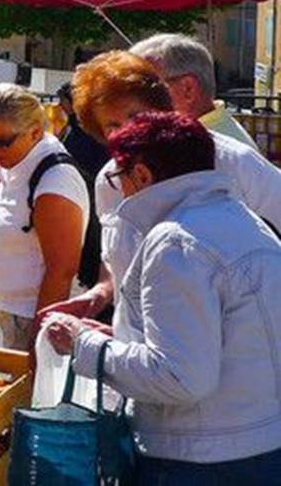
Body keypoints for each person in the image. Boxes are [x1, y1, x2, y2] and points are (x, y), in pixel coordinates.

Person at [44, 112, 281, 482]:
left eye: (118, 176)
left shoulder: (176, 241)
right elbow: (224, 342)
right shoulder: (245, 221)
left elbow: (181, 377)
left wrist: (84, 344)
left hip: (198, 455)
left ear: (141, 175)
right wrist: (120, 341)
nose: (118, 188)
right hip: (259, 442)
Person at [40, 50, 281, 334]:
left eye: (137, 116)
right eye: (113, 126)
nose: (129, 130)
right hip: (140, 359)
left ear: (163, 109)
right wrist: (101, 293)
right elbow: (116, 260)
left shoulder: (231, 160)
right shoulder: (110, 180)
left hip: (233, 354)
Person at [0, 83, 88, 349]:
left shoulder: (55, 182)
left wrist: (41, 343)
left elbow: (61, 272)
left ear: (35, 132)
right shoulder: (18, 159)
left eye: (2, 142)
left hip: (29, 319)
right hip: (10, 311)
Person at [130, 33, 258, 150]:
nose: (131, 100)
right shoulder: (207, 135)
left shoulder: (206, 149)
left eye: (145, 88)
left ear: (188, 89)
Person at [55, 80, 111, 289]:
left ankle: (94, 278)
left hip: (90, 185)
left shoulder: (87, 128)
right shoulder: (74, 124)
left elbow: (89, 155)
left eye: (63, 101)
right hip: (80, 185)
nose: (60, 106)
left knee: (93, 234)